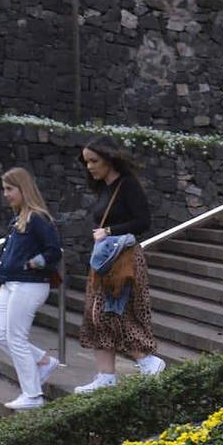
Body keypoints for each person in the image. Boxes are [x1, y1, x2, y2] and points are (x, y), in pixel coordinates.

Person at [74, 136, 167, 393]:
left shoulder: (127, 185)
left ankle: (147, 360)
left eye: (94, 161)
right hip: (105, 261)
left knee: (112, 311)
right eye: (86, 162)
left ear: (108, 159)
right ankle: (106, 376)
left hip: (123, 260)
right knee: (95, 314)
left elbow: (143, 222)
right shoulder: (103, 187)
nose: (90, 167)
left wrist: (110, 230)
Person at [0, 167, 64, 412]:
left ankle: (32, 395)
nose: (6, 194)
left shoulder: (37, 218)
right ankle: (43, 361)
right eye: (4, 189)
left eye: (10, 189)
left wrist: (33, 263)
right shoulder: (19, 219)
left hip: (29, 284)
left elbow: (54, 251)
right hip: (11, 282)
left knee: (15, 336)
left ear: (23, 189)